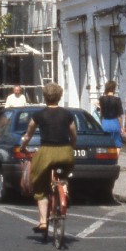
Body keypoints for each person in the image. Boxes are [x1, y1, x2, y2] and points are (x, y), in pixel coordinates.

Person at [19, 82, 76, 233]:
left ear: (45, 97)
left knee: (39, 183)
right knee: (64, 173)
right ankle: (64, 187)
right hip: (65, 152)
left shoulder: (39, 115)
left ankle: (43, 221)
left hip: (46, 153)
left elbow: (28, 135)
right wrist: (72, 147)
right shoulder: (67, 114)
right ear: (60, 96)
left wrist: (23, 147)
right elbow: (73, 134)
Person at [98, 81, 123, 150]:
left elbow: (101, 113)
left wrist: (101, 122)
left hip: (105, 122)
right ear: (114, 88)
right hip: (115, 123)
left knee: (105, 144)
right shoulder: (117, 100)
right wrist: (121, 127)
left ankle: (107, 159)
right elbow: (119, 116)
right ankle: (115, 159)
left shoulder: (102, 99)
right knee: (117, 145)